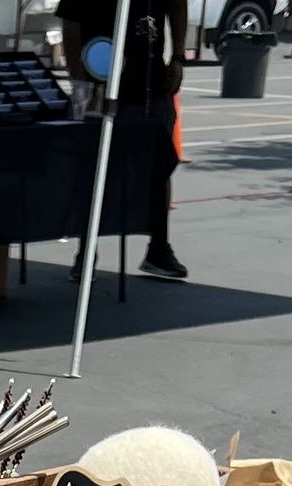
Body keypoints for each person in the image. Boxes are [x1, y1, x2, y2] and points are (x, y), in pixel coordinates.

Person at [57, 0, 188, 281]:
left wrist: (178, 57)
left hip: (153, 87)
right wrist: (80, 85)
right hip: (103, 87)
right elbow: (71, 25)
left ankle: (159, 249)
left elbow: (177, 5)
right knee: (93, 173)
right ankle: (85, 253)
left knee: (159, 167)